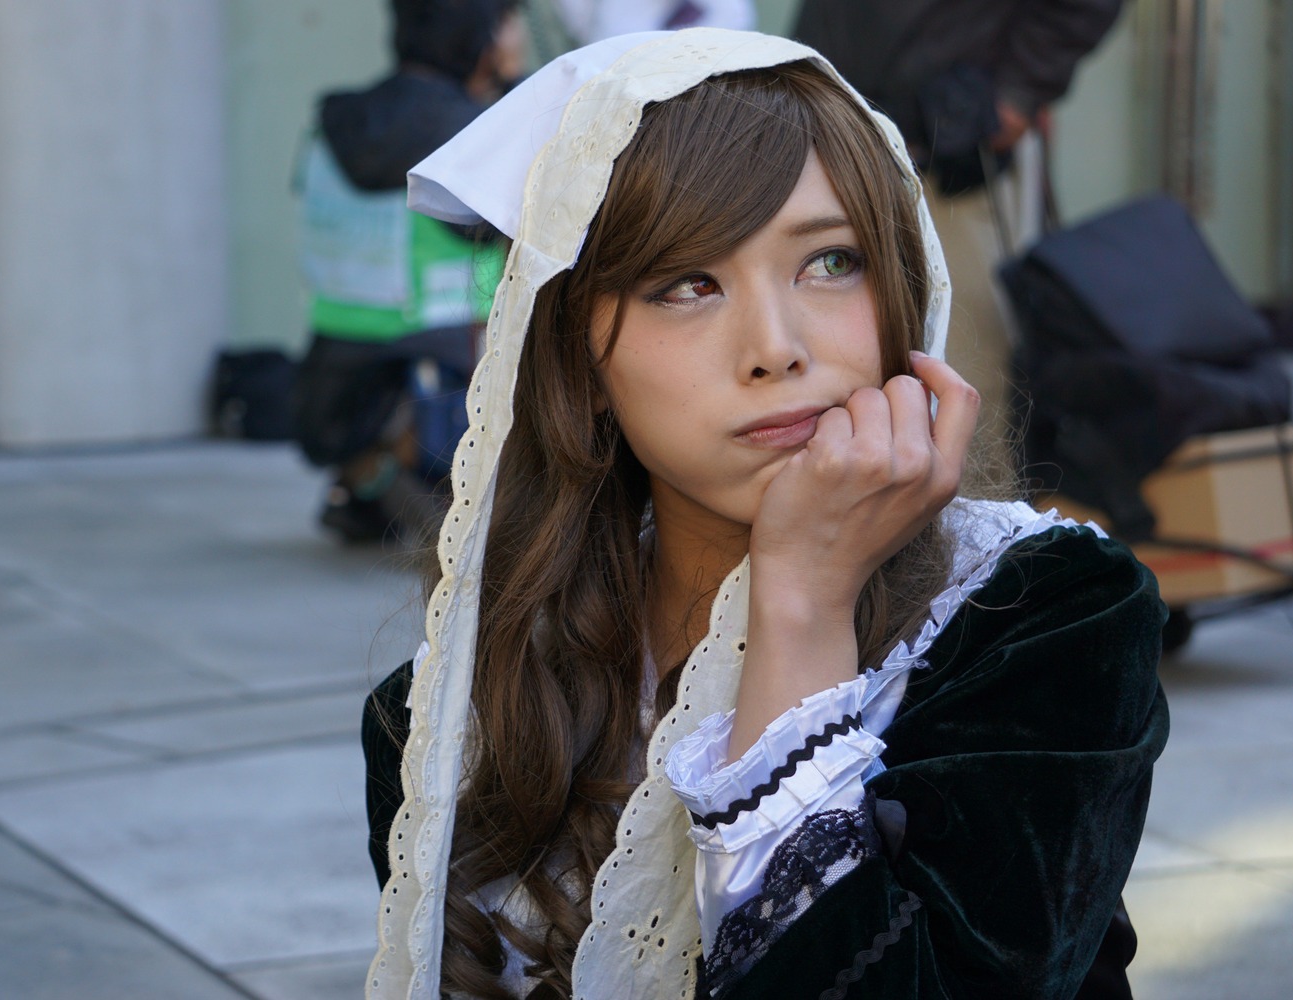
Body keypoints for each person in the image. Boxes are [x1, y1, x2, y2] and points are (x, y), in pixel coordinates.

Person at [361, 29, 1166, 999]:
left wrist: (802, 607)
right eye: (686, 284)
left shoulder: (1046, 619)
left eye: (830, 262)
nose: (776, 347)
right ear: (581, 363)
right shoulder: (446, 722)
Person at [792, 0, 1125, 474]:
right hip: (838, 137)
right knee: (844, 360)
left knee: (965, 368)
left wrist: (1017, 93)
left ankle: (985, 536)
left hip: (951, 153)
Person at [290, 0, 524, 543]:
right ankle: (438, 504)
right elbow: (513, 223)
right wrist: (513, 83)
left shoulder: (337, 120)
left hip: (340, 329)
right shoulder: (477, 128)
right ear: (481, 38)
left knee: (354, 426)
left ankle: (369, 481)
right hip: (456, 333)